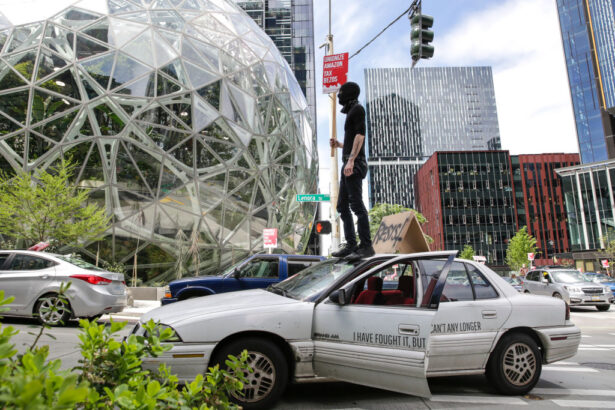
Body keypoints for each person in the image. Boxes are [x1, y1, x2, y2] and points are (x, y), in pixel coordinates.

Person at [329, 81, 374, 259]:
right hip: (348, 163)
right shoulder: (352, 112)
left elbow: (360, 135)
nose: (338, 95)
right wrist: (339, 144)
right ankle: (351, 244)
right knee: (342, 206)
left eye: (340, 93)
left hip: (354, 164)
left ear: (348, 94)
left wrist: (351, 161)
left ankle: (366, 245)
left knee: (356, 205)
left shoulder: (358, 109)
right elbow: (352, 140)